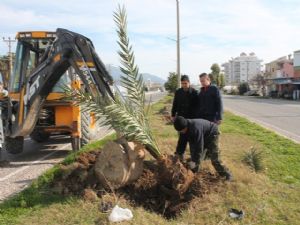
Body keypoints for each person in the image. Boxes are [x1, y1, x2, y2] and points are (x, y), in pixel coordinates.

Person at [173, 116, 232, 180]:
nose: (181, 132)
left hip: (212, 134)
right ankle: (193, 173)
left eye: (182, 131)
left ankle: (227, 175)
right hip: (202, 135)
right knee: (194, 156)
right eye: (180, 131)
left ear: (185, 126)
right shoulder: (182, 129)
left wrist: (194, 161)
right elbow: (181, 143)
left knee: (215, 158)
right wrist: (178, 154)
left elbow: (199, 147)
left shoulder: (195, 128)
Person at [171, 75, 198, 160]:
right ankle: (179, 154)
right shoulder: (178, 92)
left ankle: (193, 156)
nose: (184, 85)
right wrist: (173, 115)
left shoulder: (194, 92)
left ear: (189, 83)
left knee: (192, 139)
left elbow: (197, 107)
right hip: (181, 118)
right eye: (182, 83)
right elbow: (174, 104)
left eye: (185, 83)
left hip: (191, 119)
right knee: (182, 138)